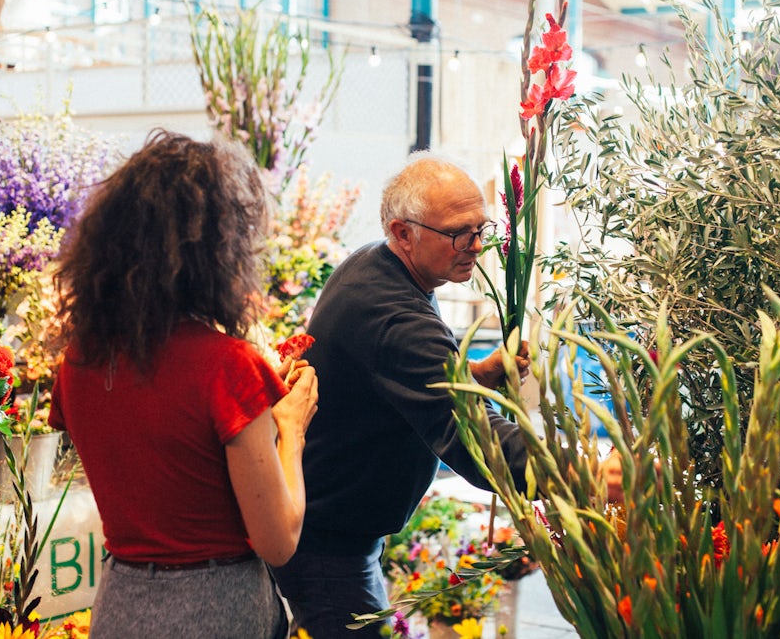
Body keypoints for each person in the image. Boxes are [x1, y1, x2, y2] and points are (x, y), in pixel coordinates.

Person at [271, 152, 624, 638]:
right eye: (459, 233)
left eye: (481, 228)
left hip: (333, 524)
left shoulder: (379, 264)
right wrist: (584, 473)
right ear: (403, 233)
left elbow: (396, 379)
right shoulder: (395, 317)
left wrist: (472, 374)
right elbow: (475, 440)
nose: (476, 245)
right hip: (328, 541)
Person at [48, 130, 318, 638]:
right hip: (215, 608)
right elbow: (279, 540)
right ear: (220, 251)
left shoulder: (79, 361)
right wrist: (291, 428)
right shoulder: (228, 367)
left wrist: (255, 405)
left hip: (121, 603)